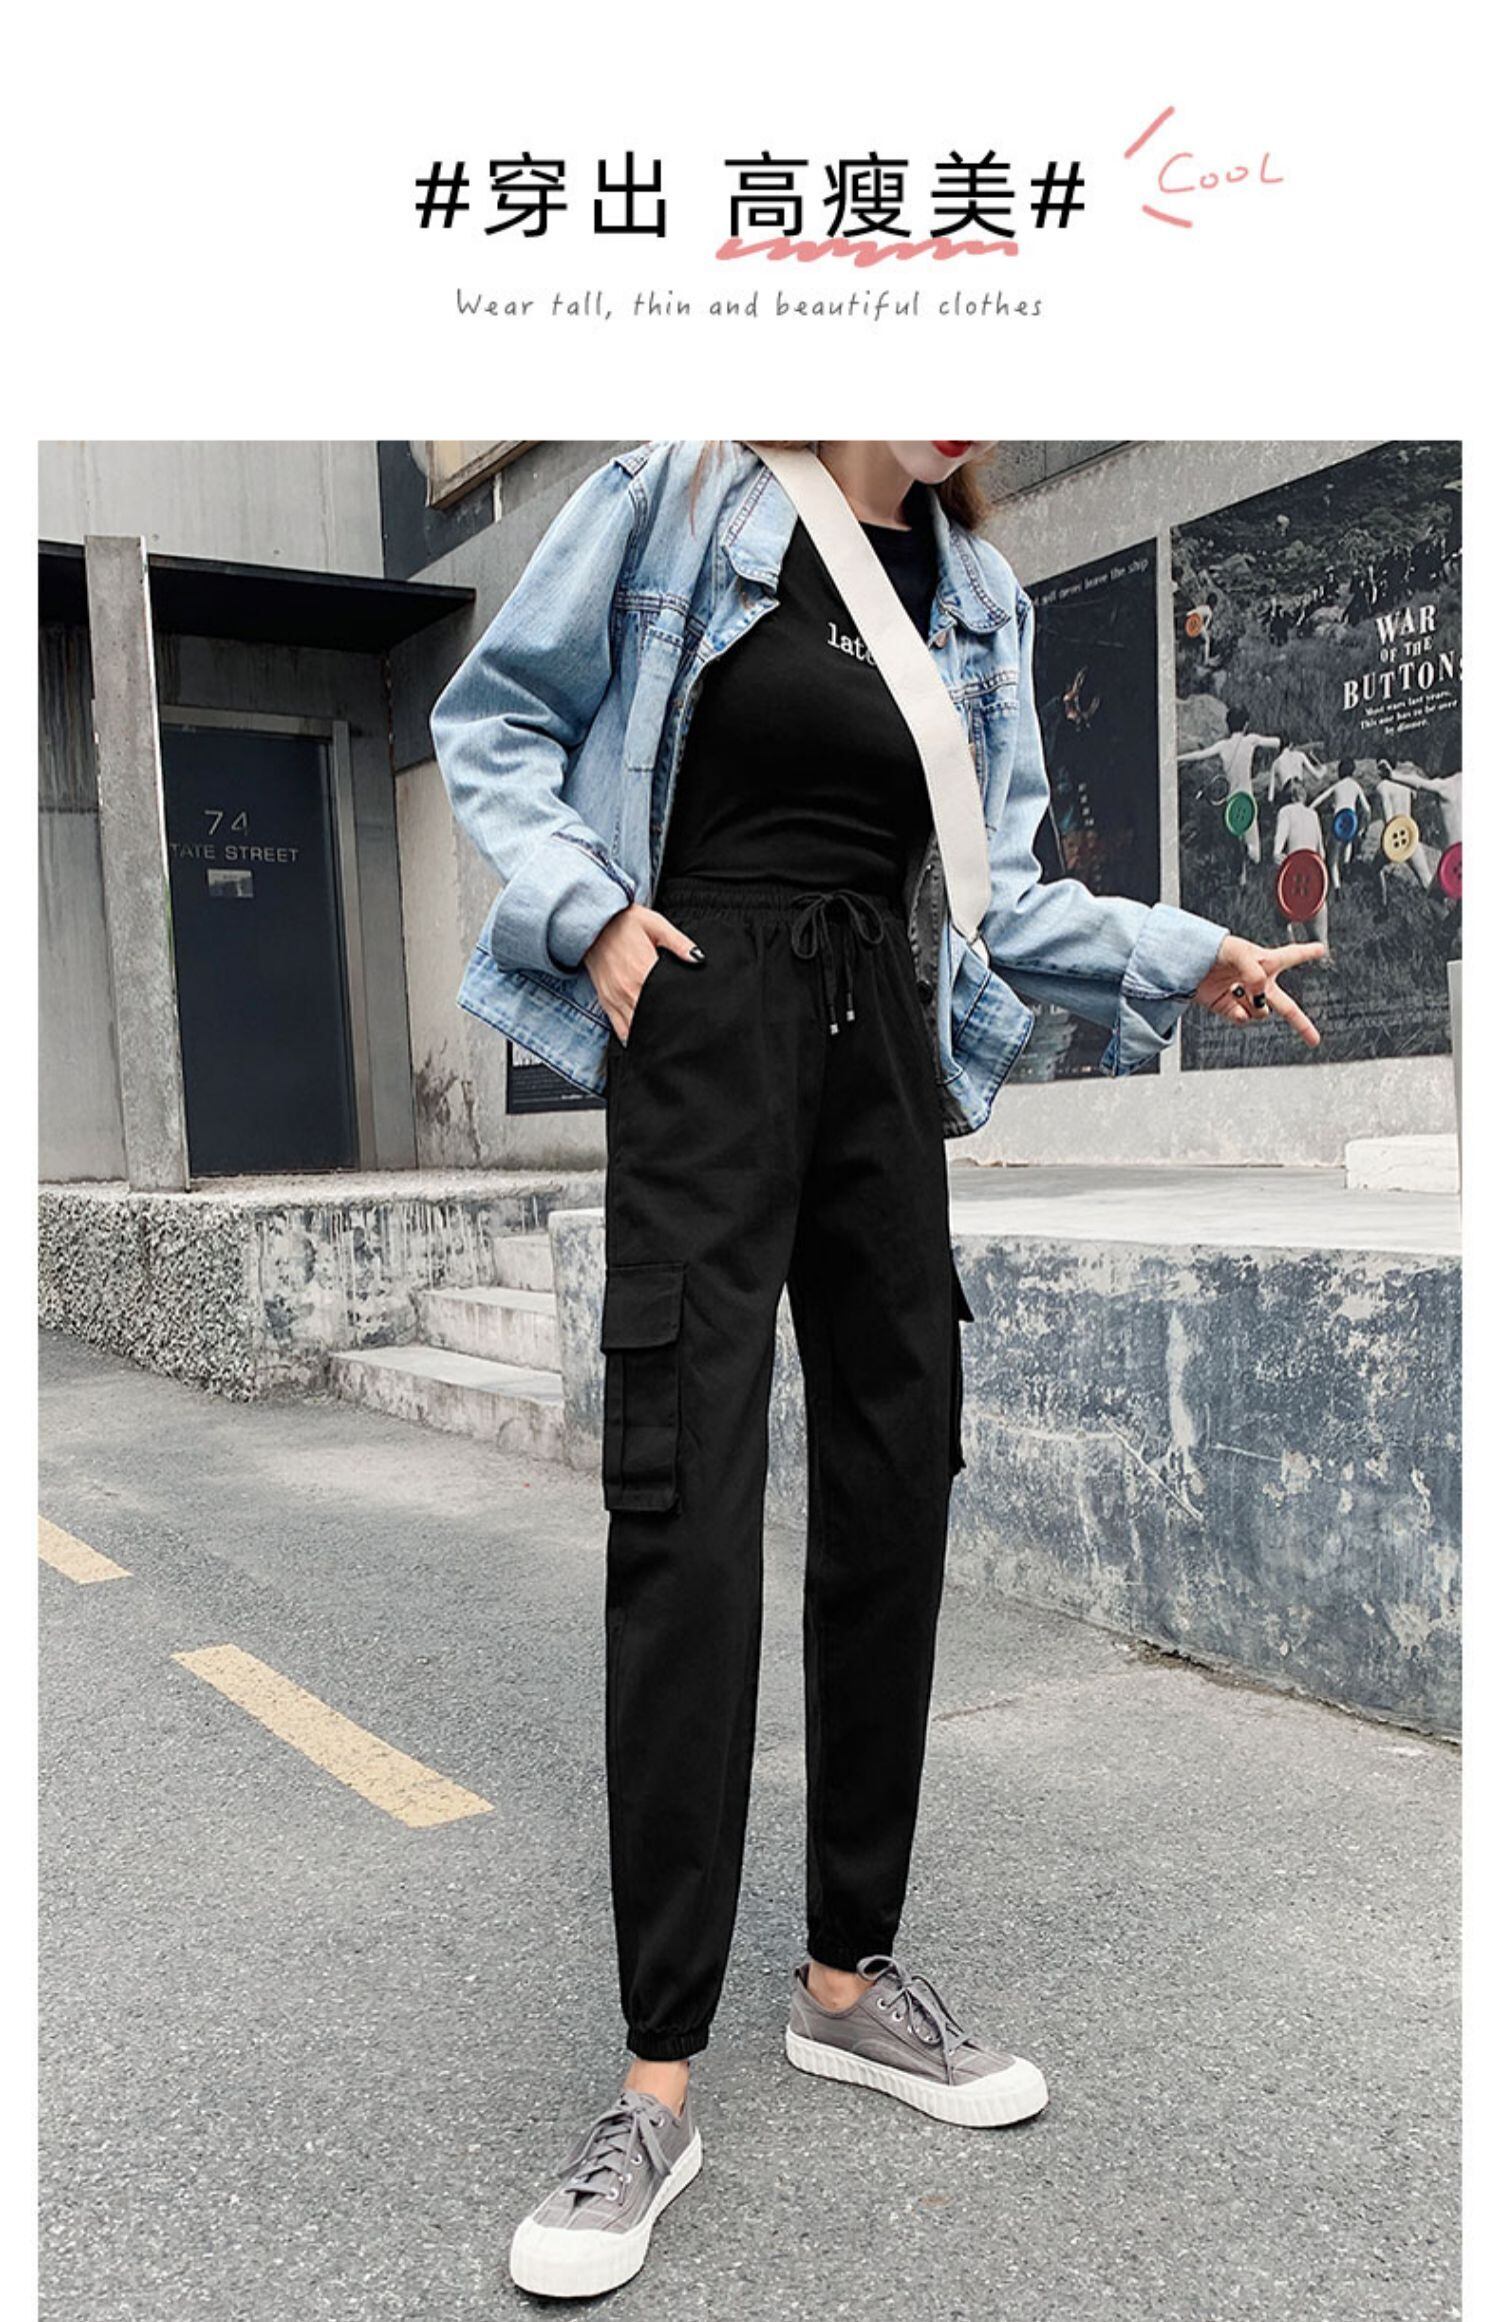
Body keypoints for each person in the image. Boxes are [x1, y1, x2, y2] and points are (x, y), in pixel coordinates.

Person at [430, 440, 1324, 2301]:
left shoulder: (974, 596)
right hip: (703, 1013)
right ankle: (654, 2086)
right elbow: (494, 716)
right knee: (687, 1515)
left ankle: (846, 1979)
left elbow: (1003, 898)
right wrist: (589, 913)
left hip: (881, 1046)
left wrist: (1187, 954)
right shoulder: (683, 491)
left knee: (897, 1485)